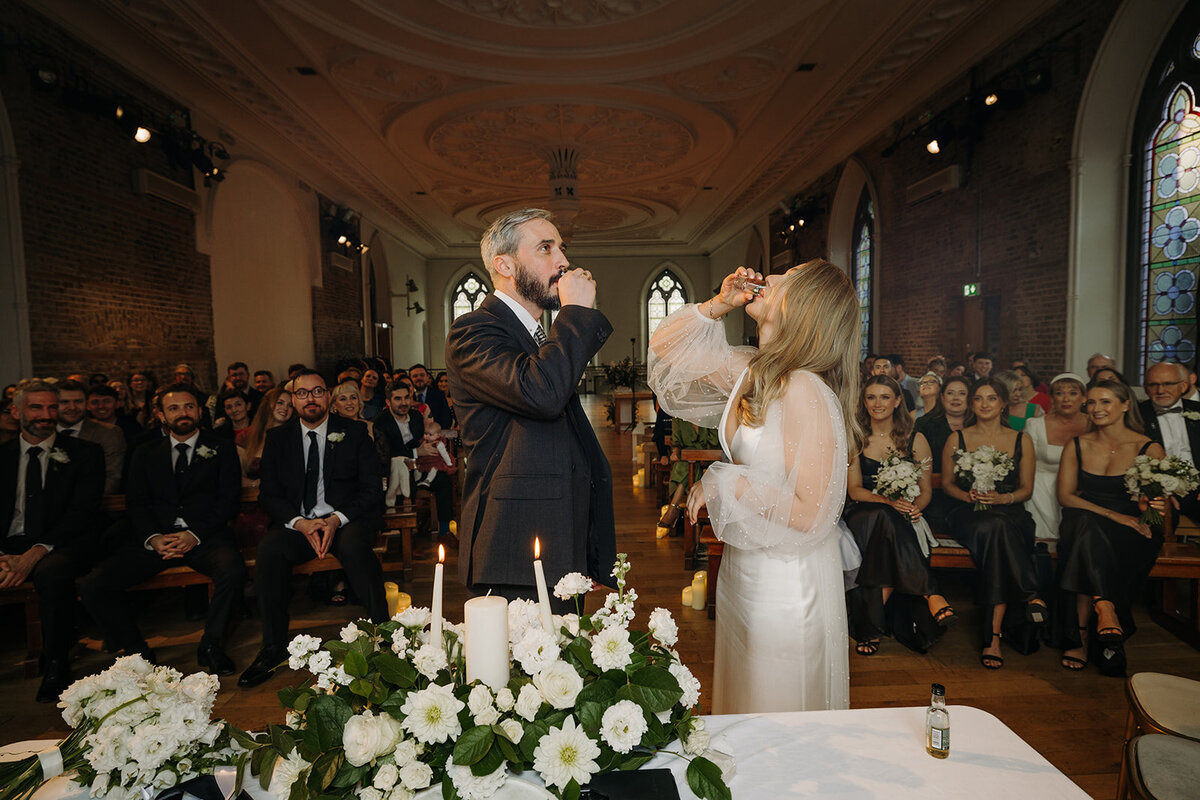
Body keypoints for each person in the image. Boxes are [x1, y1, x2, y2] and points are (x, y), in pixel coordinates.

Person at [649, 260, 864, 714]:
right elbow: (667, 349)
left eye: (787, 278)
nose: (769, 278)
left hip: (787, 583)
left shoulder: (805, 387)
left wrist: (724, 481)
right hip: (748, 565)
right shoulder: (754, 370)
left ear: (805, 306)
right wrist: (717, 305)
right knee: (745, 701)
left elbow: (811, 512)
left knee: (776, 705)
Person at [446, 208, 616, 605]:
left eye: (561, 248)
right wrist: (576, 312)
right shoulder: (474, 330)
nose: (563, 261)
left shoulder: (538, 333)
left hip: (558, 531)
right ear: (504, 264)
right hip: (515, 541)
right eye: (545, 248)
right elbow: (542, 393)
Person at [80, 384, 245, 675]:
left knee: (233, 570)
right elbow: (137, 503)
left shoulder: (221, 446)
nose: (183, 413)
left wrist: (193, 534)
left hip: (205, 536)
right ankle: (136, 651)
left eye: (189, 406)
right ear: (160, 414)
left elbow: (228, 500)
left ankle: (211, 644)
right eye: (174, 408)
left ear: (199, 410)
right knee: (95, 585)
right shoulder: (144, 452)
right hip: (157, 540)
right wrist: (154, 538)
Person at [237, 369, 386, 688]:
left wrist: (335, 519)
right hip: (299, 523)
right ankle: (272, 646)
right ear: (292, 399)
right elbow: (270, 494)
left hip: (346, 520)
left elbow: (372, 489)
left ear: (328, 397)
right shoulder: (279, 439)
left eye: (317, 391)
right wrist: (301, 523)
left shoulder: (356, 432)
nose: (310, 398)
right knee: (270, 550)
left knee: (355, 548)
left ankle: (382, 634)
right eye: (302, 393)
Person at [0, 381, 105, 701]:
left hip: (62, 542)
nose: (46, 415)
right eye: (36, 407)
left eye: (51, 408)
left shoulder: (84, 453)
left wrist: (34, 553)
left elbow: (82, 513)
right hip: (9, 543)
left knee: (51, 572)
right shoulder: (2, 456)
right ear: (16, 411)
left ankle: (56, 661)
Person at [1055, 381, 1165, 675]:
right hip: (1087, 516)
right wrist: (1113, 515)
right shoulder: (1078, 444)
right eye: (1091, 403)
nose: (1096, 409)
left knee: (1085, 539)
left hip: (1133, 527)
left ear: (1125, 405)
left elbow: (1159, 503)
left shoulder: (1148, 448)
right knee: (1084, 528)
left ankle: (1078, 636)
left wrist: (1147, 507)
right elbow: (1065, 496)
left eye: (1105, 402)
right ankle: (1105, 611)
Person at [941, 377, 1048, 670]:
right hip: (967, 512)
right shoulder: (957, 438)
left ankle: (993, 638)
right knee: (994, 529)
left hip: (1008, 512)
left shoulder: (1020, 439)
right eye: (978, 399)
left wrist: (1004, 498)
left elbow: (1026, 488)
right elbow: (948, 484)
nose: (984, 404)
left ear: (1003, 403)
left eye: (991, 398)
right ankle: (1030, 594)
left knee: (998, 532)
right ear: (972, 404)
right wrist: (967, 494)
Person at [844, 376, 950, 657]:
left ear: (898, 401)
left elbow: (925, 491)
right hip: (862, 513)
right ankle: (931, 592)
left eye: (884, 397)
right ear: (863, 402)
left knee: (886, 535)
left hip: (900, 517)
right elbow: (854, 490)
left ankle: (868, 627)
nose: (877, 404)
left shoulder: (916, 438)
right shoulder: (856, 437)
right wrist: (888, 501)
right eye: (871, 397)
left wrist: (917, 507)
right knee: (882, 515)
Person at [1024, 374, 1091, 541]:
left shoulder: (1094, 425)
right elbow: (1025, 464)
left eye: (1073, 393)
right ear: (1053, 398)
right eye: (1060, 393)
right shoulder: (1035, 425)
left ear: (1084, 398)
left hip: (1081, 494)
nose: (1066, 399)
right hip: (1040, 493)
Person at [914, 375, 971, 533]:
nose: (956, 398)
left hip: (972, 495)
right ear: (942, 396)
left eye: (962, 393)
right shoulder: (925, 424)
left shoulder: (977, 424)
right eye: (950, 393)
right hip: (935, 494)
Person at [56, 379, 125, 493]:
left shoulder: (108, 433)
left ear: (86, 403)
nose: (72, 407)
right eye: (64, 402)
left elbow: (112, 478)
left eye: (78, 401)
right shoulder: (44, 432)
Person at [409, 363, 453, 429]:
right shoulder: (407, 397)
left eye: (422, 375)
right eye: (415, 376)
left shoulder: (439, 395)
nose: (419, 378)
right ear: (410, 379)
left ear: (427, 377)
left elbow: (446, 421)